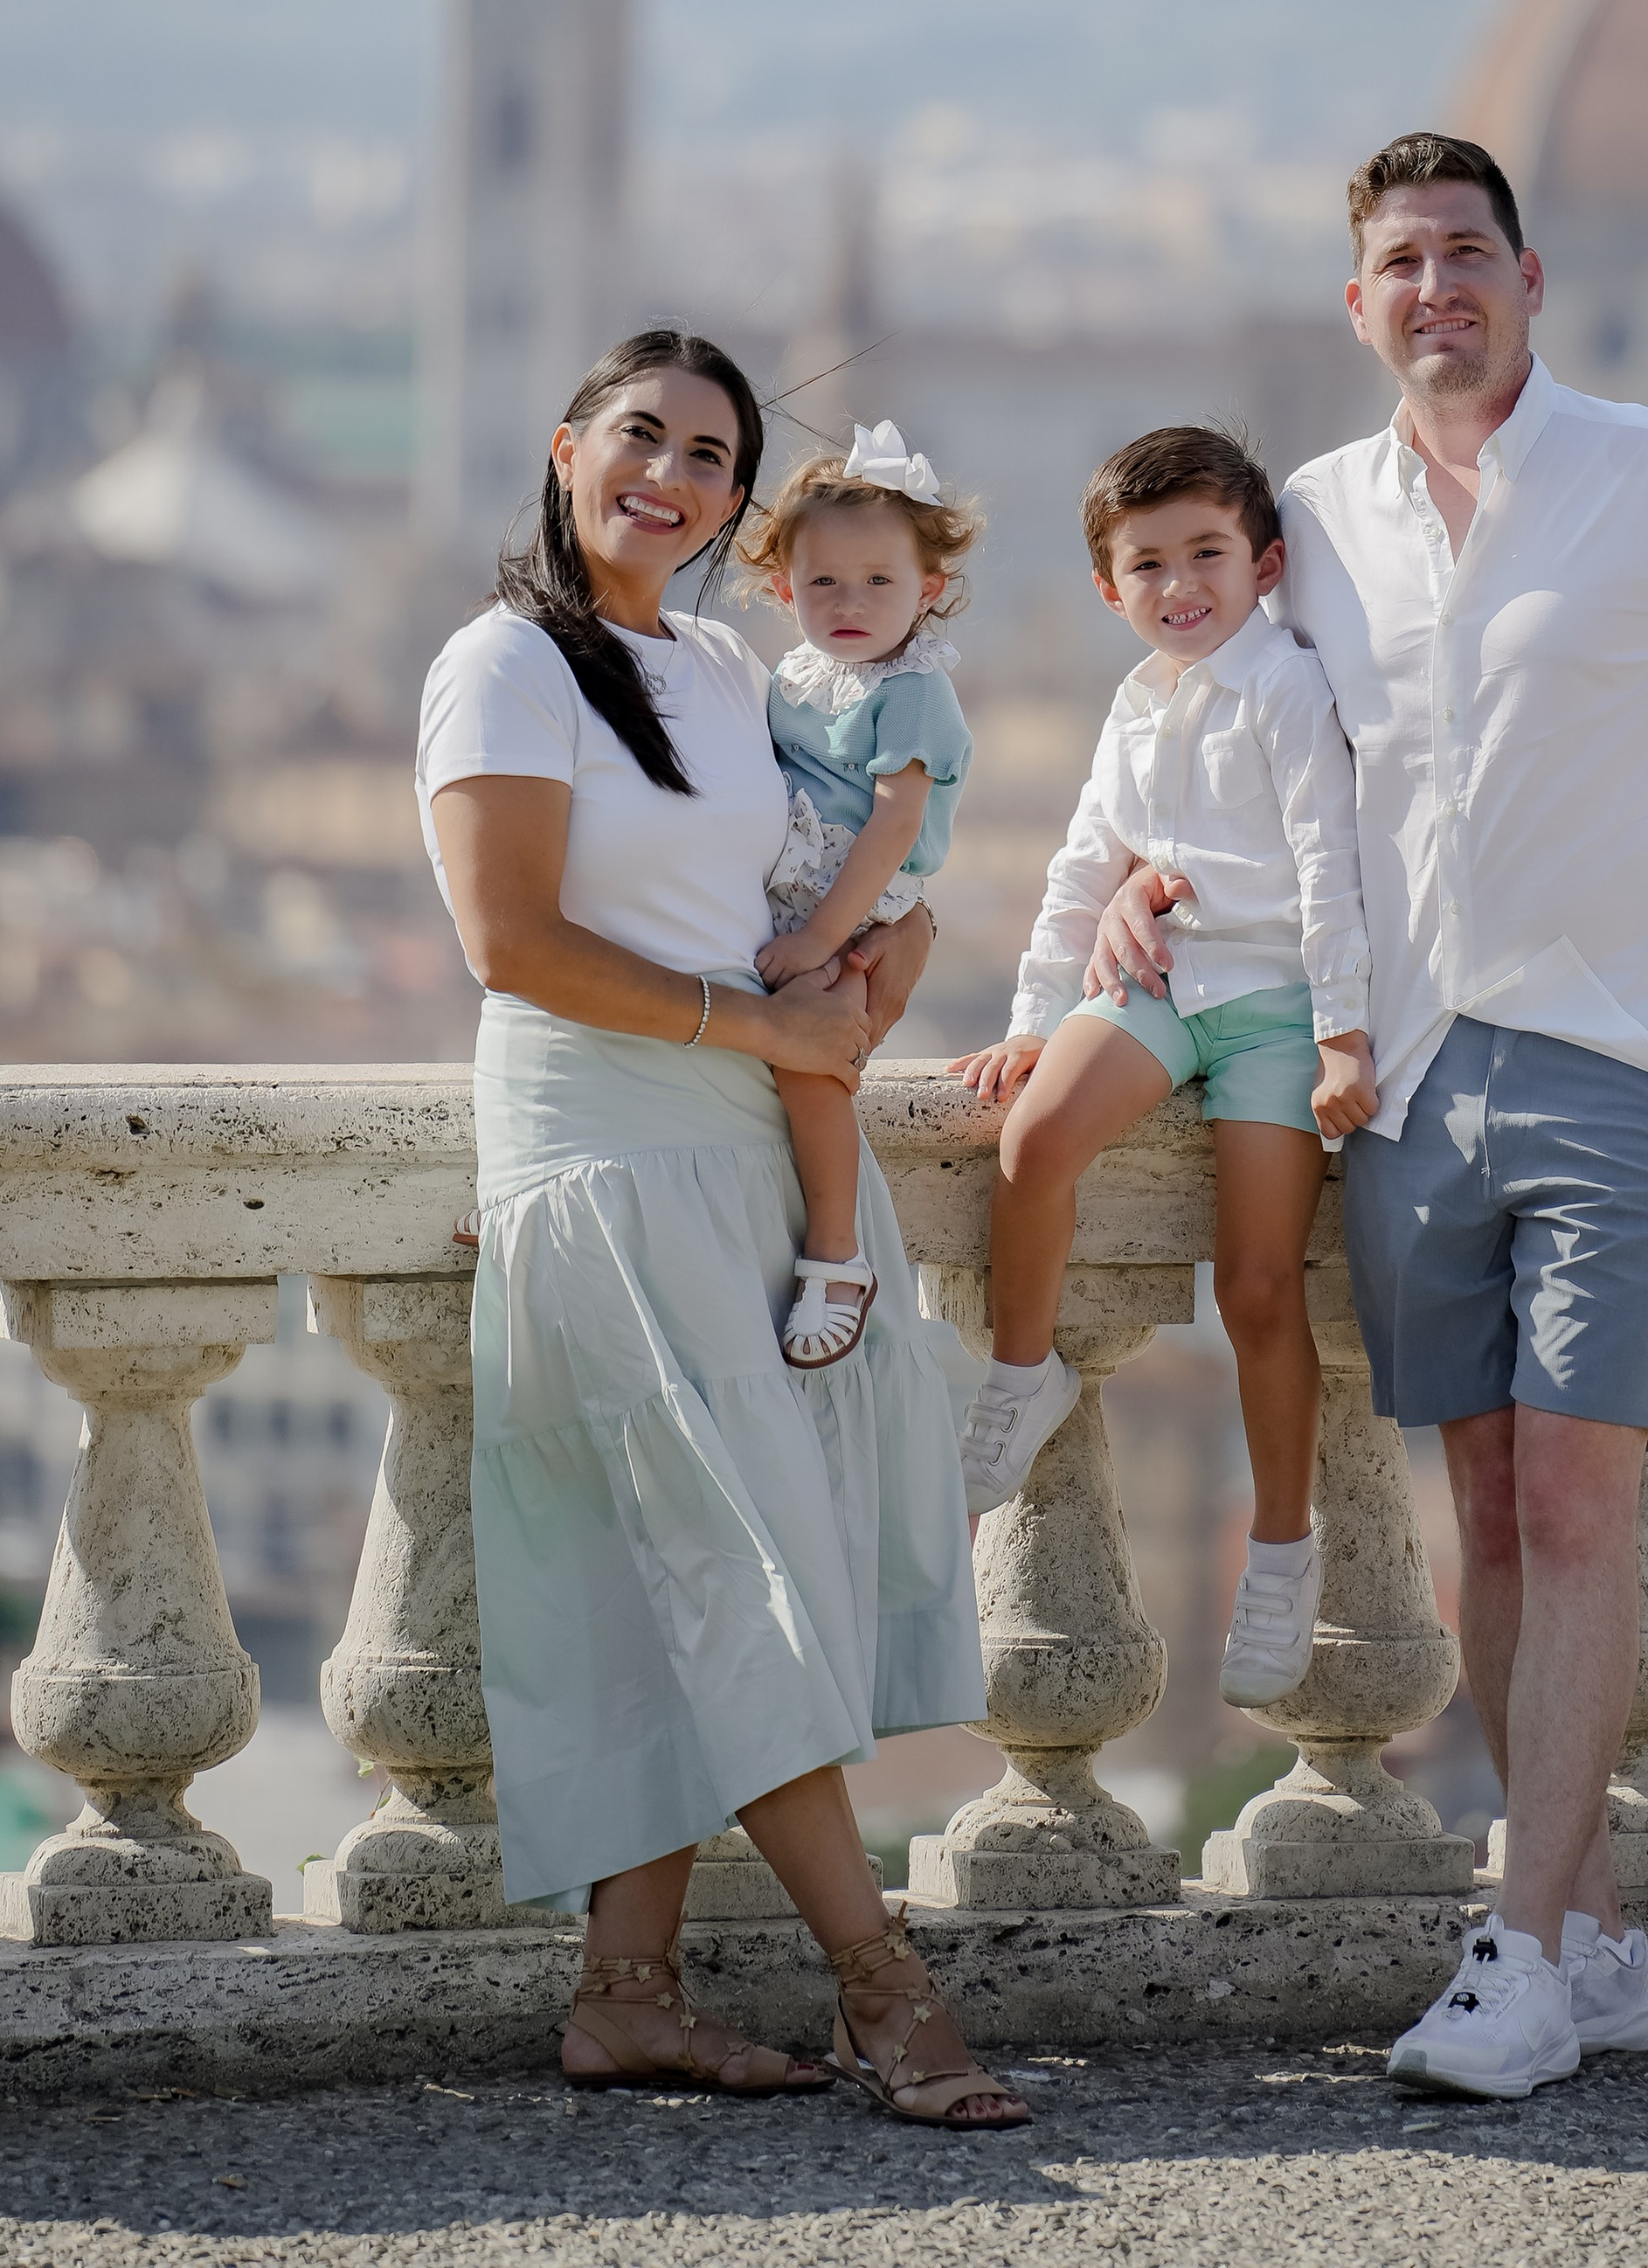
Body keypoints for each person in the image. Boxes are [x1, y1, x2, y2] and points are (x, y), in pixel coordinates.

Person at [1094, 135, 1648, 2099]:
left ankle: (1513, 1949)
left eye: (1462, 254)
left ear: (1529, 278)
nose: (1431, 287)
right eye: (1395, 263)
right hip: (1411, 1084)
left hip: (1620, 1067)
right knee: (1495, 1523)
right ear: (1354, 306)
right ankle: (1588, 1932)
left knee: (1583, 1498)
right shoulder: (1312, 527)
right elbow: (1215, 749)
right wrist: (1121, 899)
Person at [416, 329, 1025, 2129]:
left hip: (745, 1140)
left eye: (706, 454)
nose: (665, 475)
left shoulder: (723, 663)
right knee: (729, 1555)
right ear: (565, 447)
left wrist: (882, 964)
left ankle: (627, 1994)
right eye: (638, 436)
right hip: (604, 1144)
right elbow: (505, 942)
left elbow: (834, 863)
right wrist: (760, 1027)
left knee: (686, 1559)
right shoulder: (504, 661)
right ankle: (885, 1990)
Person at [955, 427, 1376, 1708]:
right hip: (1156, 988)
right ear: (1108, 588)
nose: (1180, 584)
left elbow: (1329, 871)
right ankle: (1020, 1374)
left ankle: (1284, 1551)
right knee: (1032, 1140)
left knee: (1257, 1289)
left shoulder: (1290, 691)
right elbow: (1086, 864)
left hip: (1273, 1010)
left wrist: (1346, 1033)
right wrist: (1035, 1014)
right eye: (1148, 563)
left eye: (1206, 554)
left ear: (1264, 563)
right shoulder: (1133, 703)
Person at [736, 423, 980, 1369]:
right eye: (823, 582)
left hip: (856, 910)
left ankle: (837, 1253)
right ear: (782, 589)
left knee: (808, 1065)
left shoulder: (912, 691)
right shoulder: (799, 674)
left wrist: (819, 940)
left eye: (880, 582)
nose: (850, 602)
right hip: (798, 902)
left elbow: (890, 826)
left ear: (929, 591)